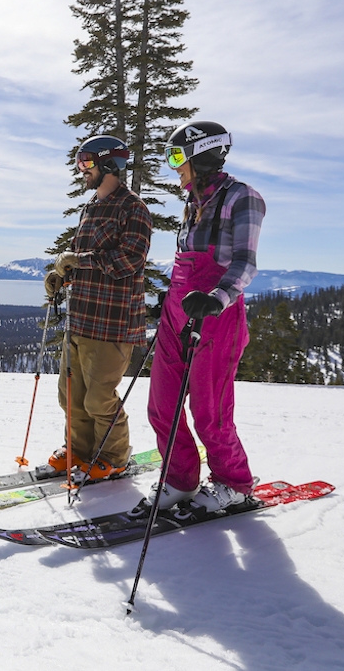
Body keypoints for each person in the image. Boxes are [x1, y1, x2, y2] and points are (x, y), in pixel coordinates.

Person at [140, 120, 265, 513]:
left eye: (177, 156)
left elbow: (245, 263)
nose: (173, 165)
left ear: (203, 155)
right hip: (179, 313)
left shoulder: (241, 197)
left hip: (216, 317)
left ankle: (234, 483)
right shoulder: (193, 203)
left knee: (210, 411)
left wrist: (215, 298)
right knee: (161, 405)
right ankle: (179, 479)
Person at [42, 135, 152, 481]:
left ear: (109, 164)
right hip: (81, 317)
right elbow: (84, 261)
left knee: (100, 399)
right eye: (79, 163)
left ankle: (114, 457)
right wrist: (61, 276)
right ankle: (79, 451)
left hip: (112, 321)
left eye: (86, 163)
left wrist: (79, 260)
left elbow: (129, 260)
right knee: (70, 396)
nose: (81, 170)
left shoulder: (133, 208)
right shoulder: (90, 207)